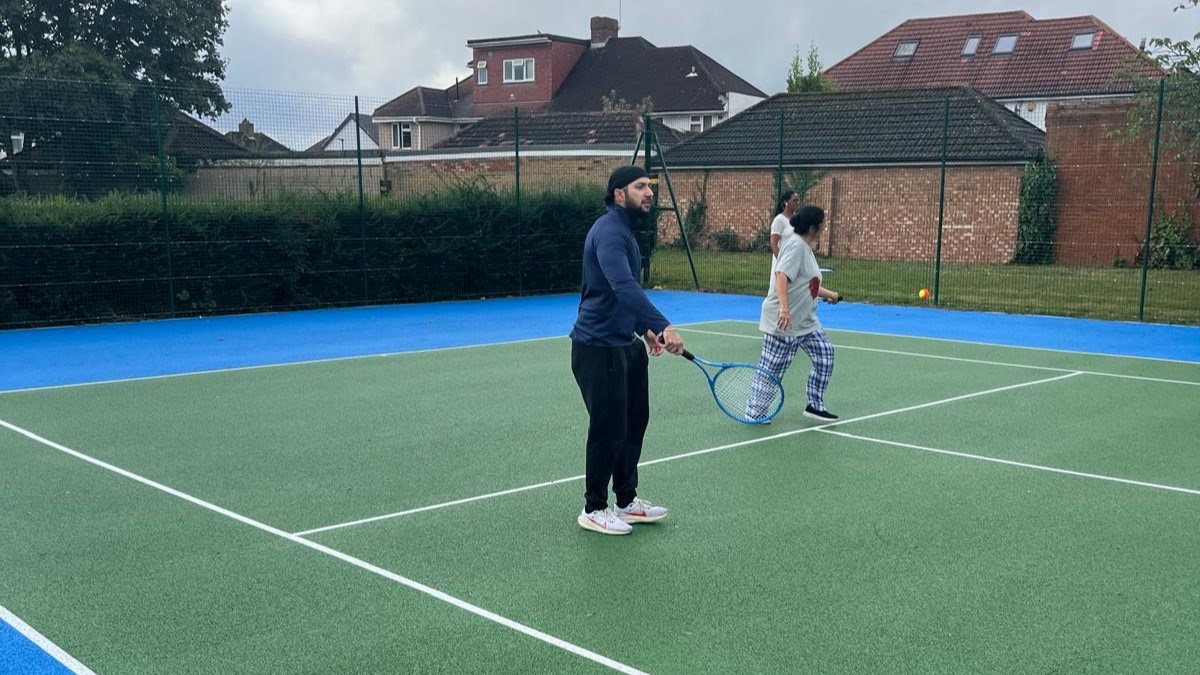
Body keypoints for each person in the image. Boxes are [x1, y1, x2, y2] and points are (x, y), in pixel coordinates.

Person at [570, 165, 685, 536]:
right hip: (597, 348)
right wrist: (664, 324)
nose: (649, 192)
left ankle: (625, 501)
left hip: (626, 345)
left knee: (635, 421)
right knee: (607, 428)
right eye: (640, 187)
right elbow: (622, 286)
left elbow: (619, 294)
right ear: (619, 194)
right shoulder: (608, 233)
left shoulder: (626, 233)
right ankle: (594, 508)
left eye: (650, 186)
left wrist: (645, 330)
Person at [754, 205, 840, 422]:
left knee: (825, 356)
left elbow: (807, 283)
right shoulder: (795, 245)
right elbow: (782, 276)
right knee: (772, 370)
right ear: (813, 228)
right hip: (783, 321)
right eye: (822, 224)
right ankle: (755, 411)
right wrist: (784, 309)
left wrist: (831, 294)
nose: (824, 227)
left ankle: (814, 405)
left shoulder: (805, 247)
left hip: (805, 322)